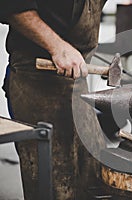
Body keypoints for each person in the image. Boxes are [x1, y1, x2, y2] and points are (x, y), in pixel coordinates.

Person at [1, 0, 107, 199]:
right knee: (55, 186)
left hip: (77, 84)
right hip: (36, 81)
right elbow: (12, 6)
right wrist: (58, 47)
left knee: (94, 178)